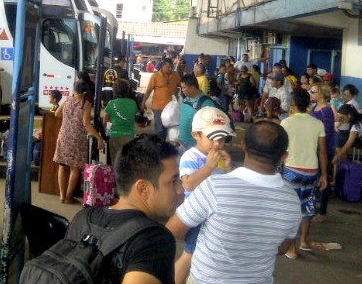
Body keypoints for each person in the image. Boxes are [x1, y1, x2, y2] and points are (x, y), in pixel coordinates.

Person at [166, 121, 301, 284]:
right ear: (283, 156)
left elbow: (172, 230)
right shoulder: (293, 201)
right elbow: (281, 249)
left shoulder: (214, 187)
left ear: (243, 145)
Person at [64, 135, 183, 284]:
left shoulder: (83, 218)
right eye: (173, 181)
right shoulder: (153, 240)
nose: (180, 189)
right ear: (143, 189)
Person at [174, 107, 234, 284]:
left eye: (222, 139)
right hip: (197, 216)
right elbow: (189, 183)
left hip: (217, 217)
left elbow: (232, 182)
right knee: (189, 254)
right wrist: (208, 167)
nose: (217, 144)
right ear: (195, 135)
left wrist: (229, 166)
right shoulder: (190, 156)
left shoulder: (220, 158)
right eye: (212, 138)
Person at [280, 88, 328, 258]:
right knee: (307, 206)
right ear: (309, 104)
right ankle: (304, 241)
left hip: (292, 170)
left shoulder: (286, 123)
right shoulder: (318, 124)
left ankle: (291, 250)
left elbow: (281, 150)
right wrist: (324, 175)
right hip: (311, 171)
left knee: (291, 210)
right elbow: (322, 152)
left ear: (292, 104)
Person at [54, 80, 104, 203]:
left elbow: (56, 114)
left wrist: (67, 119)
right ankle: (68, 196)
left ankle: (61, 195)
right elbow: (86, 124)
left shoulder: (67, 101)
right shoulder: (86, 104)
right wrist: (98, 137)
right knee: (74, 169)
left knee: (62, 166)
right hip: (77, 139)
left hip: (64, 136)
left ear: (74, 90)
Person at [309, 84, 335, 223]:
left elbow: (328, 133)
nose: (310, 94)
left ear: (321, 94)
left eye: (313, 92)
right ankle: (314, 207)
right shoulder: (313, 108)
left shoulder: (326, 111)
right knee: (315, 179)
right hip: (313, 148)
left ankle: (323, 211)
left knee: (323, 179)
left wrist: (321, 149)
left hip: (323, 150)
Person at [140, 58, 181, 140]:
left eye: (171, 67)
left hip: (171, 108)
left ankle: (165, 145)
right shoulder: (155, 76)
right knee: (160, 129)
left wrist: (177, 93)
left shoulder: (176, 75)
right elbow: (148, 90)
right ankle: (159, 147)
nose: (170, 69)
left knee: (170, 128)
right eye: (168, 67)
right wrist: (143, 102)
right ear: (162, 66)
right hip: (158, 107)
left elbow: (181, 86)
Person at [104, 79, 139, 163]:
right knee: (127, 162)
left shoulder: (111, 103)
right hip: (129, 136)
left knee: (115, 162)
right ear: (127, 89)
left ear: (114, 90)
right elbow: (135, 117)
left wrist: (107, 134)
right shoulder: (133, 103)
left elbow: (105, 120)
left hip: (114, 136)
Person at [178, 75, 215, 153]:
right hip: (183, 141)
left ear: (192, 88)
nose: (182, 90)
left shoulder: (206, 103)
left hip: (194, 145)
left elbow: (210, 125)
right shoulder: (186, 99)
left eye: (184, 87)